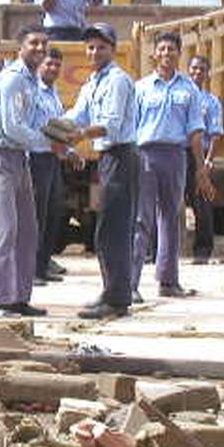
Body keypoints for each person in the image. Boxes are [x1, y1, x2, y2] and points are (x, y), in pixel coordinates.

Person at [63, 23, 139, 320]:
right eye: (91, 47)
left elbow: (112, 124)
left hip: (121, 156)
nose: (94, 52)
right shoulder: (93, 82)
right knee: (103, 228)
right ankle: (111, 291)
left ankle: (118, 298)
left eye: (101, 47)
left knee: (114, 229)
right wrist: (53, 127)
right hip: (105, 159)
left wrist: (80, 134)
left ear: (113, 49)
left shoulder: (118, 81)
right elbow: (77, 114)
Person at [0, 24, 51, 319]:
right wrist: (48, 143)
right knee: (4, 229)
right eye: (34, 43)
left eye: (44, 44)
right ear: (20, 48)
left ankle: (18, 297)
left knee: (27, 231)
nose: (40, 48)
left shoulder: (33, 80)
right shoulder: (13, 79)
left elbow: (35, 122)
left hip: (19, 157)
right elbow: (12, 127)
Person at [130, 31, 205, 300]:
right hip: (145, 156)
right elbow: (131, 128)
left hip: (175, 156)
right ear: (154, 54)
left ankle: (168, 281)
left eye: (171, 49)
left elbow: (195, 131)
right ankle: (130, 285)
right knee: (141, 219)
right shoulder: (141, 88)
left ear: (179, 54)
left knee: (171, 219)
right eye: (161, 49)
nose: (166, 53)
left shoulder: (189, 89)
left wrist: (201, 168)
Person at [28, 47, 69, 285]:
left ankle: (43, 266)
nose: (53, 68)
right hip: (36, 159)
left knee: (53, 213)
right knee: (36, 215)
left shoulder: (54, 93)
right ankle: (31, 270)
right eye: (49, 64)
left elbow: (58, 128)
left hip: (52, 159)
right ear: (39, 66)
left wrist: (70, 152)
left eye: (57, 65)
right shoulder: (33, 91)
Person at [187, 55, 221, 264]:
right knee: (165, 204)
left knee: (202, 204)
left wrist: (208, 161)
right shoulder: (181, 97)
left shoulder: (211, 102)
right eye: (194, 68)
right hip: (180, 154)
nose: (197, 72)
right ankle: (154, 252)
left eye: (201, 69)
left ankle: (202, 252)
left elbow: (215, 134)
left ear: (208, 74)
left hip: (201, 155)